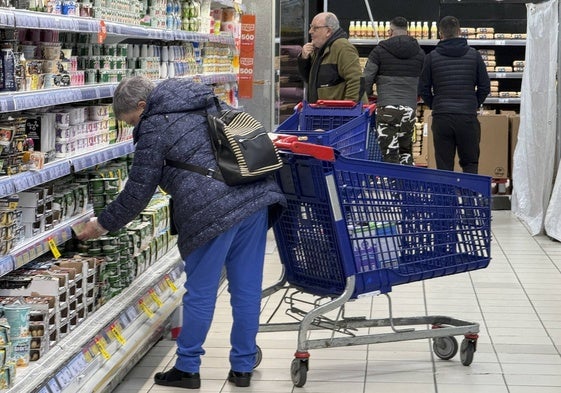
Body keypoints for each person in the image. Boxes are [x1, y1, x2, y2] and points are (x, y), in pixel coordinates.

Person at [76, 76, 286, 389]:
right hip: (254, 197)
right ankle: (242, 366)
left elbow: (137, 193)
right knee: (247, 289)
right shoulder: (205, 99)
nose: (134, 127)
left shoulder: (154, 125)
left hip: (208, 211)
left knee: (200, 293)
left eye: (132, 121)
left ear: (142, 106)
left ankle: (188, 367)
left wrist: (101, 224)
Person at [418, 15, 490, 174]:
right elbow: (485, 86)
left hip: (442, 118)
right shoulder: (474, 55)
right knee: (470, 162)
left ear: (440, 33)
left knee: (444, 166)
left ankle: (447, 198)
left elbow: (423, 88)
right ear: (459, 31)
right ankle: (469, 198)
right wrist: (473, 104)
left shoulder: (431, 57)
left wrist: (436, 104)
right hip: (467, 117)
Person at [363, 16, 425, 165]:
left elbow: (366, 78)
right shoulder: (420, 53)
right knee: (406, 151)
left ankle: (392, 186)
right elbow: (424, 80)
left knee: (389, 154)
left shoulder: (379, 51)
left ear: (390, 31)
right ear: (407, 31)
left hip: (386, 107)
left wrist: (369, 93)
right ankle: (406, 185)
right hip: (409, 109)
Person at [297, 11, 367, 103]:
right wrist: (304, 59)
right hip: (325, 112)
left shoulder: (343, 47)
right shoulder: (318, 49)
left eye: (315, 28)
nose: (310, 31)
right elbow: (310, 80)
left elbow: (356, 80)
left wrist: (348, 109)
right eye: (311, 27)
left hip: (340, 114)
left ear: (328, 31)